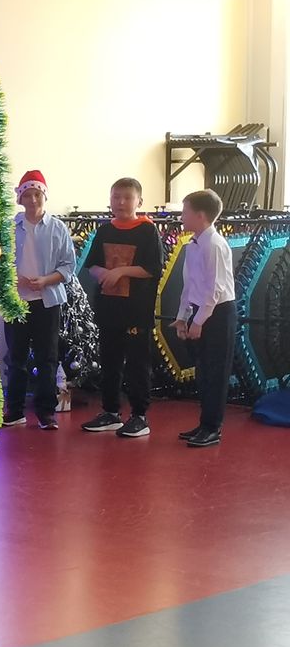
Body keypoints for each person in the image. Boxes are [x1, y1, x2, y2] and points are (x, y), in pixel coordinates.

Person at [80, 178, 163, 438]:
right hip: (109, 307)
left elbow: (152, 268)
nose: (121, 202)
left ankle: (139, 416)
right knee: (110, 361)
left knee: (137, 364)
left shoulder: (147, 231)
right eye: (116, 197)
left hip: (136, 310)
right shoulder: (105, 230)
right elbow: (92, 265)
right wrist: (103, 273)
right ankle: (110, 412)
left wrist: (120, 272)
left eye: (127, 197)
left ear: (139, 201)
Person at [2, 170, 77, 431]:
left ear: (44, 196)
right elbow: (0, 261)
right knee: (16, 358)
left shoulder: (58, 228)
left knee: (47, 358)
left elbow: (68, 266)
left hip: (48, 302)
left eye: (37, 194)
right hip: (17, 302)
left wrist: (46, 280)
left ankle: (46, 412)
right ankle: (15, 410)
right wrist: (15, 279)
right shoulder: (9, 228)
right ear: (20, 199)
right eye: (27, 195)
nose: (33, 200)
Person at [172, 189, 236, 449]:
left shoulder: (215, 245)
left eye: (185, 212)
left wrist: (199, 321)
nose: (181, 217)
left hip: (218, 313)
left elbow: (215, 289)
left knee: (216, 372)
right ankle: (204, 423)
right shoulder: (192, 245)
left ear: (200, 215)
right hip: (200, 310)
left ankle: (213, 427)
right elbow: (189, 285)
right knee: (203, 371)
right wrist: (182, 317)